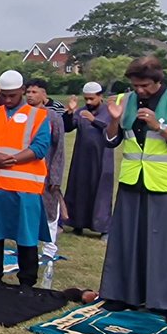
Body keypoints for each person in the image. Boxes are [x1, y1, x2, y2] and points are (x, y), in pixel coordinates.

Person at [99, 56, 167, 325]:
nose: (139, 91)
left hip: (166, 183)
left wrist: (162, 128)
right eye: (135, 85)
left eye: (145, 85)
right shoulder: (123, 100)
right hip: (132, 181)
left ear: (158, 81)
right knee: (126, 240)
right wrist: (113, 122)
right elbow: (112, 141)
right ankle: (121, 295)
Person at [0, 71, 51, 288]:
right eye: (4, 95)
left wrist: (12, 159)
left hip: (24, 187)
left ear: (22, 91)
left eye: (13, 96)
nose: (8, 100)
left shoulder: (39, 116)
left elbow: (40, 147)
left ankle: (26, 282)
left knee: (26, 238)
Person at [62, 82, 114, 238]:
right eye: (86, 99)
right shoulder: (82, 111)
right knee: (79, 188)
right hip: (82, 157)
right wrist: (70, 112)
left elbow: (111, 130)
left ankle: (103, 227)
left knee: (101, 191)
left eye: (92, 99)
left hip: (102, 157)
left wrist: (93, 120)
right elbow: (68, 127)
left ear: (100, 96)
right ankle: (77, 223)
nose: (89, 102)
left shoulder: (109, 111)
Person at [25, 78, 66, 261]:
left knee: (49, 210)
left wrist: (55, 177)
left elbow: (59, 148)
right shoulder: (23, 115)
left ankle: (50, 248)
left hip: (47, 170)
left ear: (44, 94)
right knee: (29, 210)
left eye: (35, 92)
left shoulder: (53, 117)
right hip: (26, 172)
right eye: (28, 92)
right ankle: (29, 244)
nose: (31, 95)